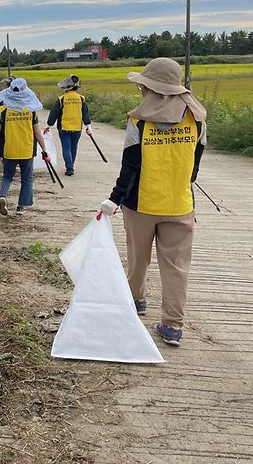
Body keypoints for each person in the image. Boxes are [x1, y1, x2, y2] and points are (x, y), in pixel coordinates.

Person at [97, 58, 207, 347]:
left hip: (141, 206)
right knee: (176, 268)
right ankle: (172, 326)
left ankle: (136, 303)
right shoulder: (197, 119)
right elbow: (194, 166)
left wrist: (114, 199)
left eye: (143, 86)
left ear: (151, 89)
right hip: (180, 205)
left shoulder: (139, 120)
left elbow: (130, 167)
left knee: (138, 259)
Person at [0, 78, 50, 216]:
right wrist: (45, 150)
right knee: (26, 179)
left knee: (7, 176)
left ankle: (3, 196)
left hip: (9, 150)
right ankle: (21, 207)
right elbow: (37, 132)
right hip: (27, 150)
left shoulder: (3, 110)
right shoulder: (31, 110)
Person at [45, 74, 92, 176]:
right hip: (77, 128)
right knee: (73, 148)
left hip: (64, 128)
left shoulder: (61, 99)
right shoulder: (81, 98)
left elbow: (54, 114)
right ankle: (71, 166)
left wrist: (48, 125)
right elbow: (85, 114)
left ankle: (69, 168)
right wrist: (88, 127)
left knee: (66, 148)